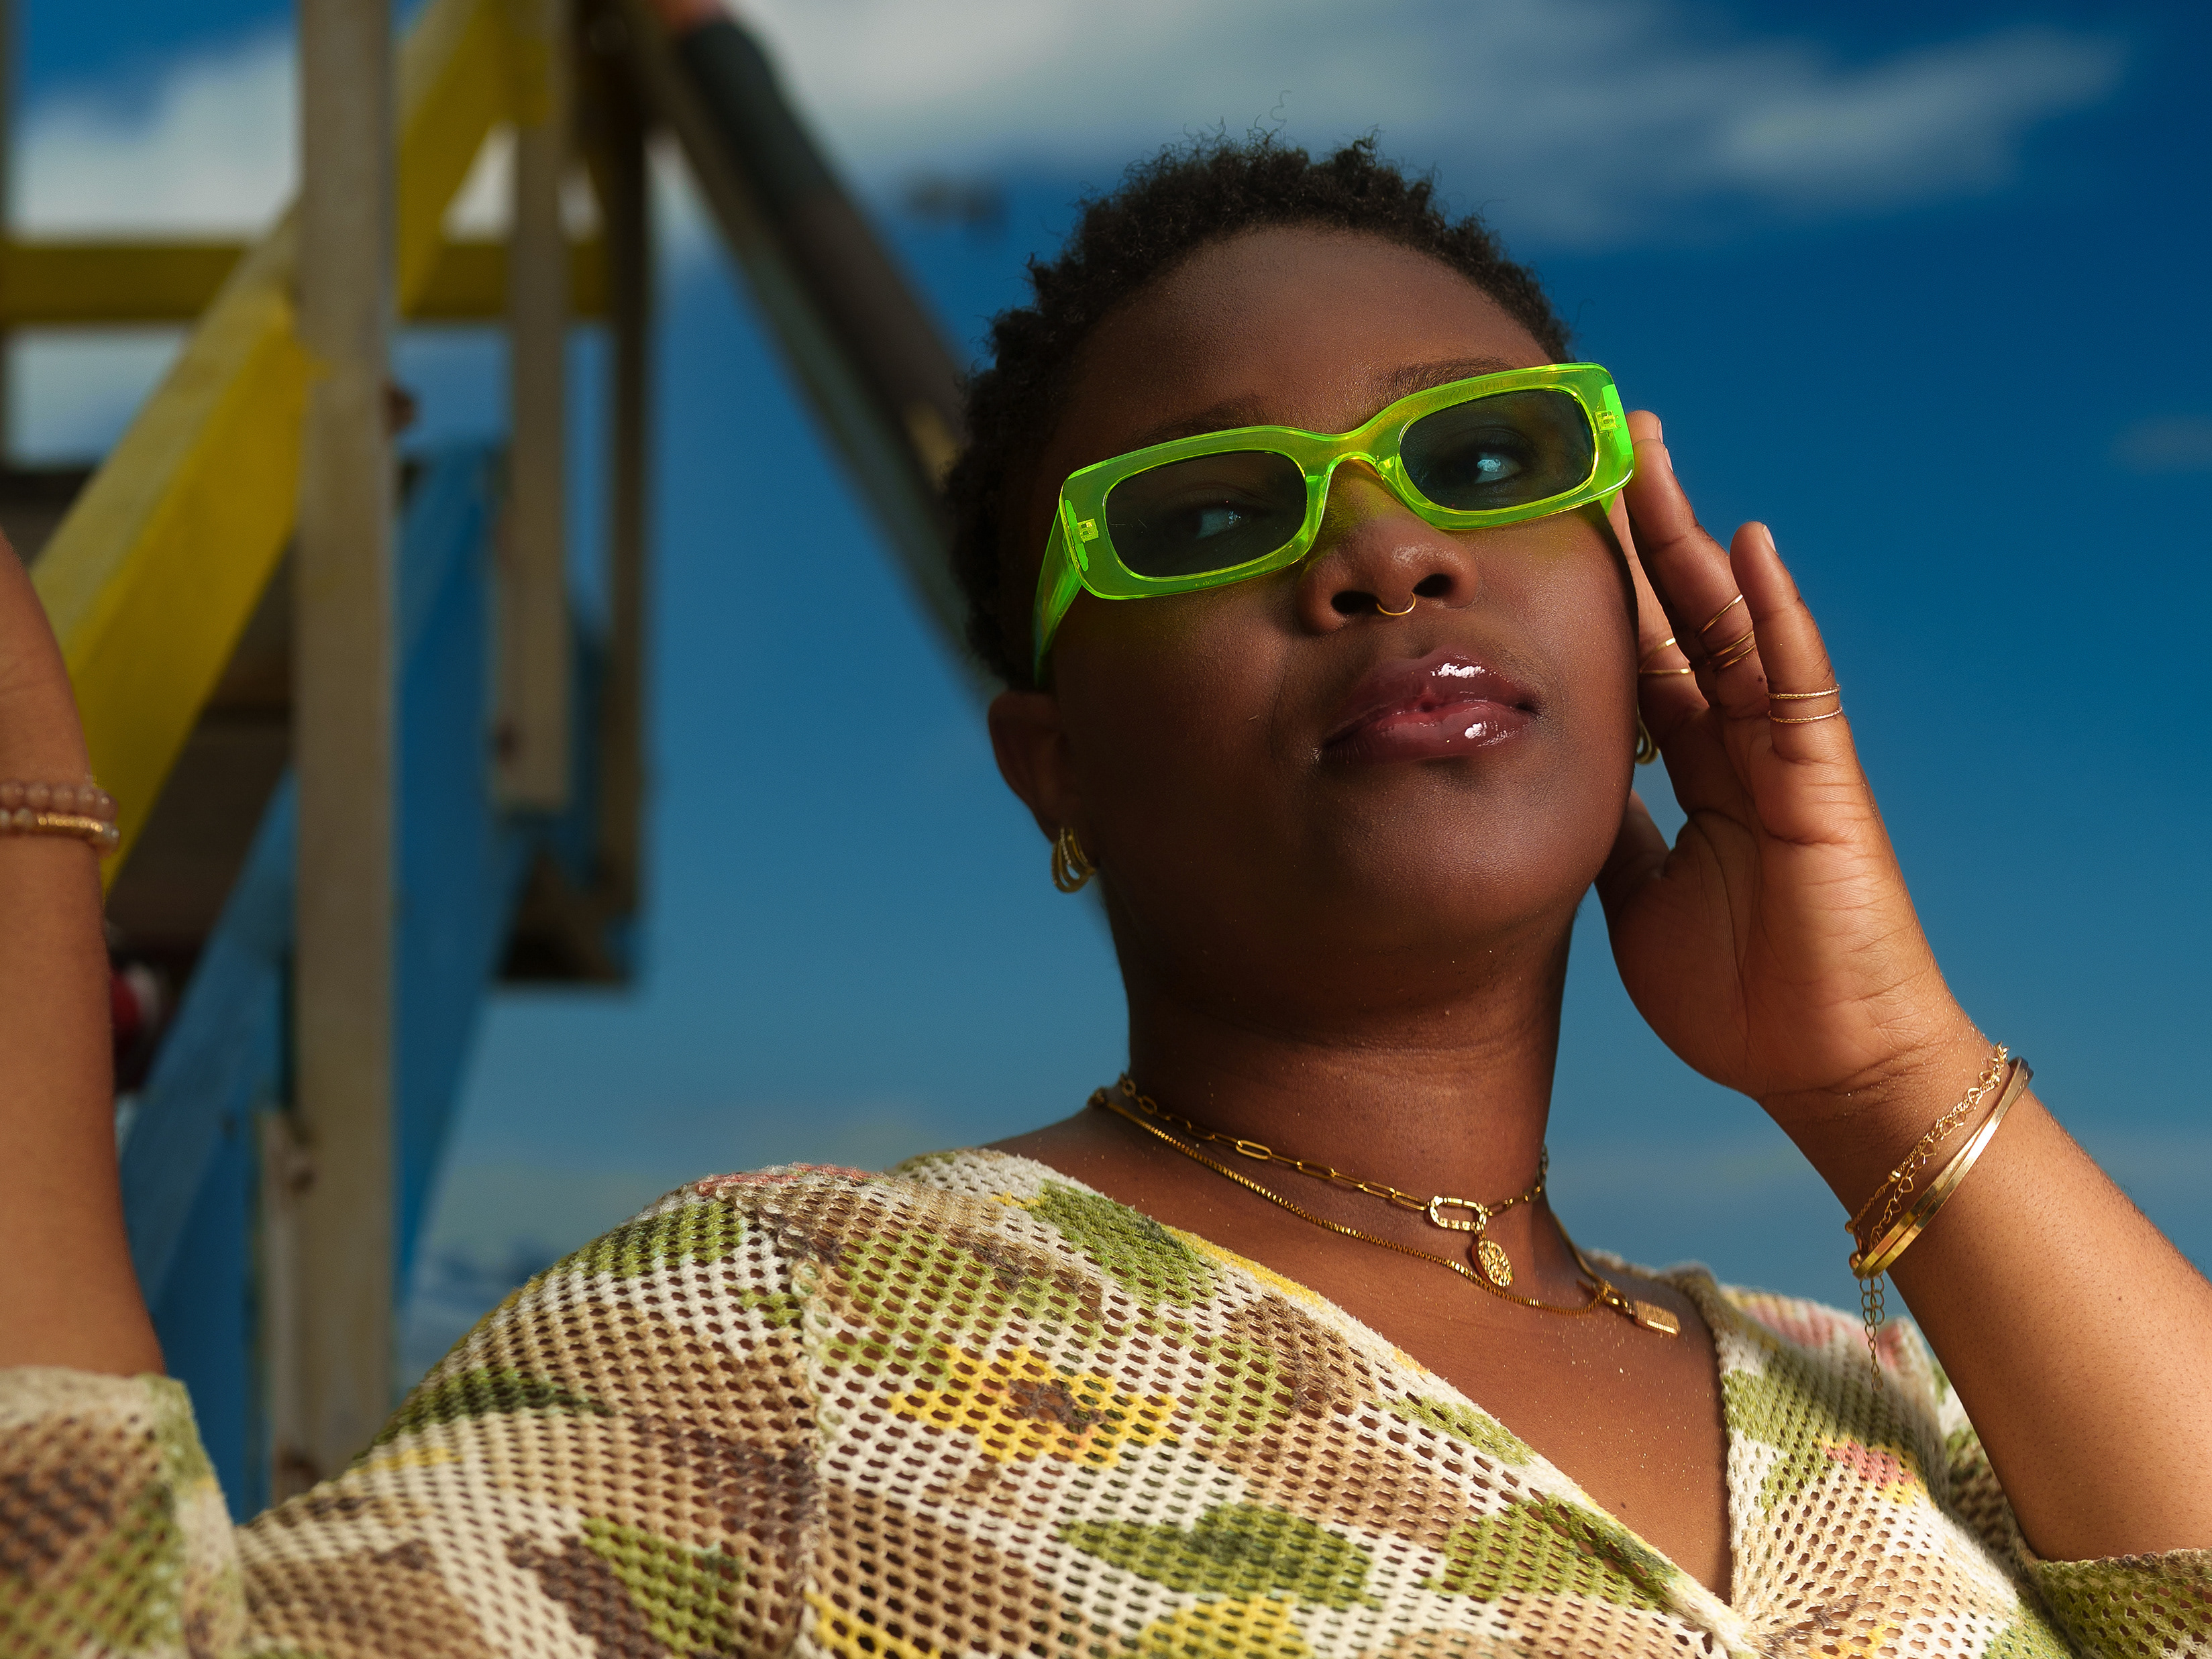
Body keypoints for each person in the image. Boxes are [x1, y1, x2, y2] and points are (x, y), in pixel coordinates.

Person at [3, 136, 2208, 1659]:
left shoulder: (1892, 1401)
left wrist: (1877, 1065)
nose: (1381, 553)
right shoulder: (796, 1332)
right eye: (1210, 512)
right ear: (1051, 764)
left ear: (1638, 623)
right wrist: (24, 831)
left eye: (1483, 458)